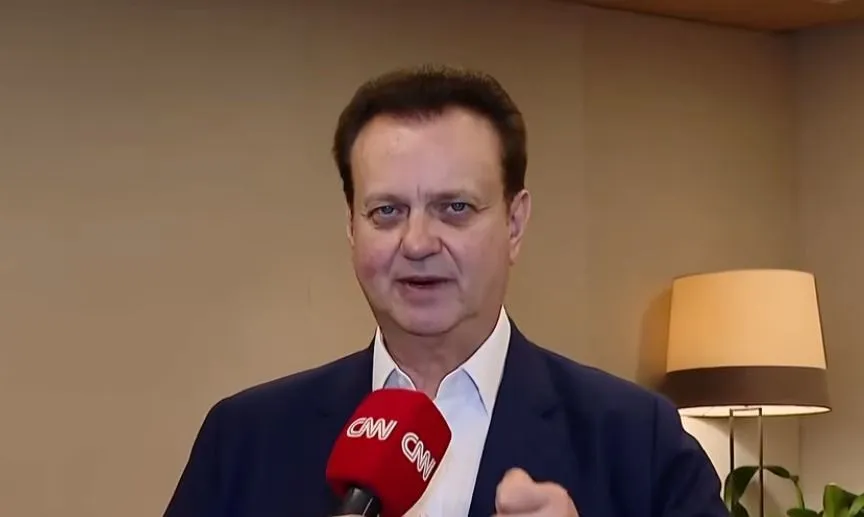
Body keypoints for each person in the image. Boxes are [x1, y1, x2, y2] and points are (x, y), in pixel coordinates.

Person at [163, 64, 727, 517]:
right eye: (387, 211)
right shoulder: (246, 439)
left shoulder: (639, 440)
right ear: (351, 227)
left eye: (454, 208)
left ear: (514, 224)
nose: (417, 242)